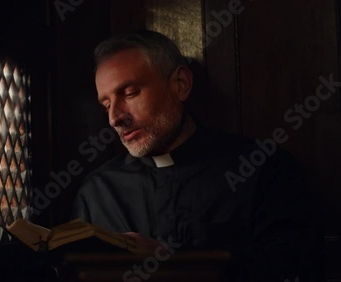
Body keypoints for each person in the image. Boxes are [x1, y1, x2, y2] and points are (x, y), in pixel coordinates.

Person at [71, 30, 323, 281]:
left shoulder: (263, 169)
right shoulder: (97, 192)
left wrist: (170, 260)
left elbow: (293, 265)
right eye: (106, 105)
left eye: (129, 93)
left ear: (180, 84)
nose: (115, 118)